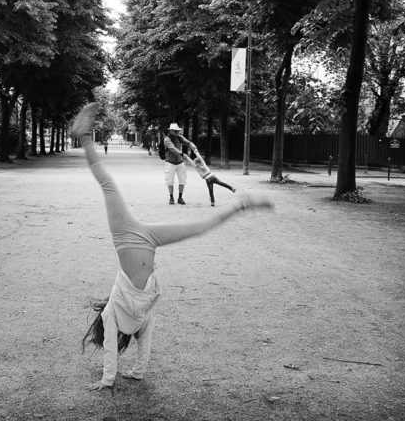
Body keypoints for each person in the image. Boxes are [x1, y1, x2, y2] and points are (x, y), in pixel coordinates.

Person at [71, 103, 274, 391]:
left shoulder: (116, 315)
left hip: (130, 240)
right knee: (197, 227)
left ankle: (85, 137)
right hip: (144, 240)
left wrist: (108, 380)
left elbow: (109, 348)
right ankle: (240, 205)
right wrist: (137, 373)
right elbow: (141, 345)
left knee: (109, 185)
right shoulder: (139, 319)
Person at [163, 123, 196, 205]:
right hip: (170, 162)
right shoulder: (166, 139)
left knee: (182, 180)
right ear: (170, 131)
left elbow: (187, 142)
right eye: (175, 131)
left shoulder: (179, 137)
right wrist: (181, 154)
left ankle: (180, 197)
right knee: (170, 181)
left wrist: (192, 145)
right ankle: (171, 197)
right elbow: (172, 148)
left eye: (178, 131)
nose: (177, 132)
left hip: (180, 162)